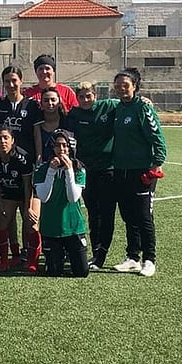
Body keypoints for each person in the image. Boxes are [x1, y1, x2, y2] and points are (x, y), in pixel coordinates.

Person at [110, 68, 167, 277]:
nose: (121, 89)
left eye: (125, 85)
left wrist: (156, 163)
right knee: (128, 216)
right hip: (121, 170)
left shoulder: (143, 108)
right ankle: (133, 257)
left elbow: (157, 138)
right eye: (117, 85)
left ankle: (149, 259)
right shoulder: (117, 108)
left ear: (135, 86)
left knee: (144, 216)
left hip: (142, 171)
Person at [65, 82, 118, 270]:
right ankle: (96, 252)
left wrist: (144, 101)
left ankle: (102, 254)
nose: (86, 100)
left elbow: (130, 103)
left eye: (89, 96)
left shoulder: (109, 106)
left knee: (106, 212)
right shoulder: (74, 114)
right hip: (86, 171)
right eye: (82, 96)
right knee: (93, 212)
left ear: (95, 95)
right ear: (77, 98)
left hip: (107, 169)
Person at [33, 130, 89, 277]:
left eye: (65, 145)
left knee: (82, 272)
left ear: (71, 148)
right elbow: (43, 197)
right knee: (54, 272)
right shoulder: (42, 169)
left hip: (73, 227)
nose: (61, 149)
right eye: (57, 145)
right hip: (51, 228)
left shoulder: (79, 169)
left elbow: (73, 197)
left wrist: (69, 170)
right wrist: (51, 171)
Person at [0, 125, 40, 272]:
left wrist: (28, 207)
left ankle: (32, 262)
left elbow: (28, 185)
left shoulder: (22, 158)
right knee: (2, 220)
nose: (2, 141)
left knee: (31, 222)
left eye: (6, 138)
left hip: (27, 194)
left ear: (12, 140)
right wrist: (0, 204)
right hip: (9, 193)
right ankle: (5, 261)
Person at [0, 65, 44, 160]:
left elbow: (37, 134)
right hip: (2, 159)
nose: (11, 85)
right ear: (3, 83)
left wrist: (39, 155)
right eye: (7, 81)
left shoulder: (32, 105)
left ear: (21, 81)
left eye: (14, 80)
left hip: (27, 157)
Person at [33, 87, 68, 164]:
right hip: (45, 165)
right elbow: (39, 154)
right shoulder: (37, 124)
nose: (50, 103)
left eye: (53, 100)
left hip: (64, 163)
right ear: (41, 103)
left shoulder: (67, 122)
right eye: (46, 100)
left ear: (59, 102)